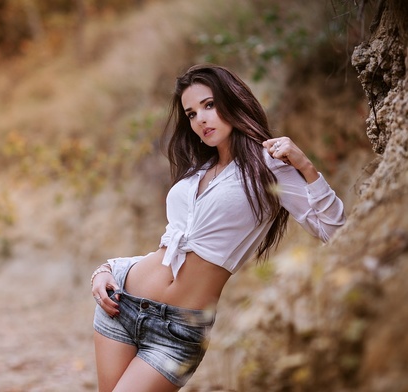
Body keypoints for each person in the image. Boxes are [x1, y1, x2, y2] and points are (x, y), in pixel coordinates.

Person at [90, 64, 346, 392]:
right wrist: (106, 269)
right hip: (121, 298)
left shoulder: (269, 166)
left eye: (209, 105)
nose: (201, 119)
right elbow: (168, 248)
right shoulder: (199, 170)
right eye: (192, 113)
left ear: (232, 100)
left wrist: (305, 166)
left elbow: (334, 231)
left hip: (178, 330)